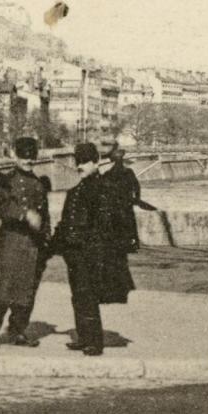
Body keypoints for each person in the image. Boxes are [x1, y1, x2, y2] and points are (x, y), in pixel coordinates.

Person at [50, 142, 135, 356]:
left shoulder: (104, 188)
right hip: (75, 253)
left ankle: (94, 342)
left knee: (88, 296)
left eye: (85, 161)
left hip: (92, 253)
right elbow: (65, 222)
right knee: (78, 296)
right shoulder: (76, 190)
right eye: (78, 161)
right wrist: (54, 245)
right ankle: (84, 337)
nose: (81, 165)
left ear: (96, 162)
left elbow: (105, 225)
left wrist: (88, 243)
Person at [0, 136, 51, 348]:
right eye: (24, 158)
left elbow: (45, 216)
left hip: (32, 245)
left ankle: (18, 330)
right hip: (11, 242)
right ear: (16, 156)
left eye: (31, 159)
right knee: (4, 289)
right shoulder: (6, 181)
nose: (28, 161)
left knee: (27, 291)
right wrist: (24, 215)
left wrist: (46, 241)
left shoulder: (39, 184)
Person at [99, 134, 155, 253]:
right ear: (122, 160)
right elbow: (137, 186)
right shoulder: (128, 172)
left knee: (116, 224)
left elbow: (102, 189)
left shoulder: (108, 174)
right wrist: (137, 199)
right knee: (129, 224)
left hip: (114, 204)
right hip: (127, 203)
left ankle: (118, 245)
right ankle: (131, 245)